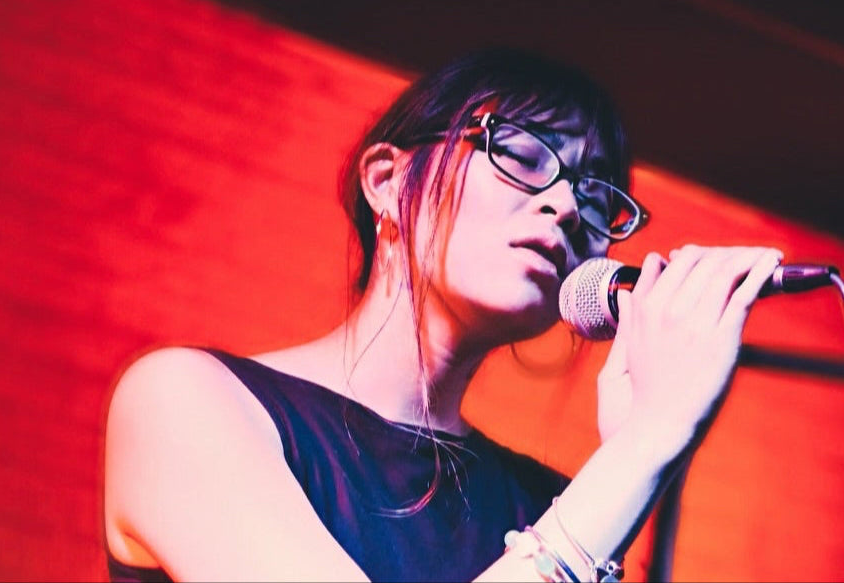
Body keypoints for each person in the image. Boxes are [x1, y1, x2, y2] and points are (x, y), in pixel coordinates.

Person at [101, 48, 783, 582]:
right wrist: (641, 449)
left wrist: (630, 467)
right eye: (519, 152)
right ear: (387, 181)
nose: (568, 207)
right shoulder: (185, 399)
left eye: (597, 196)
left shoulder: (548, 502)